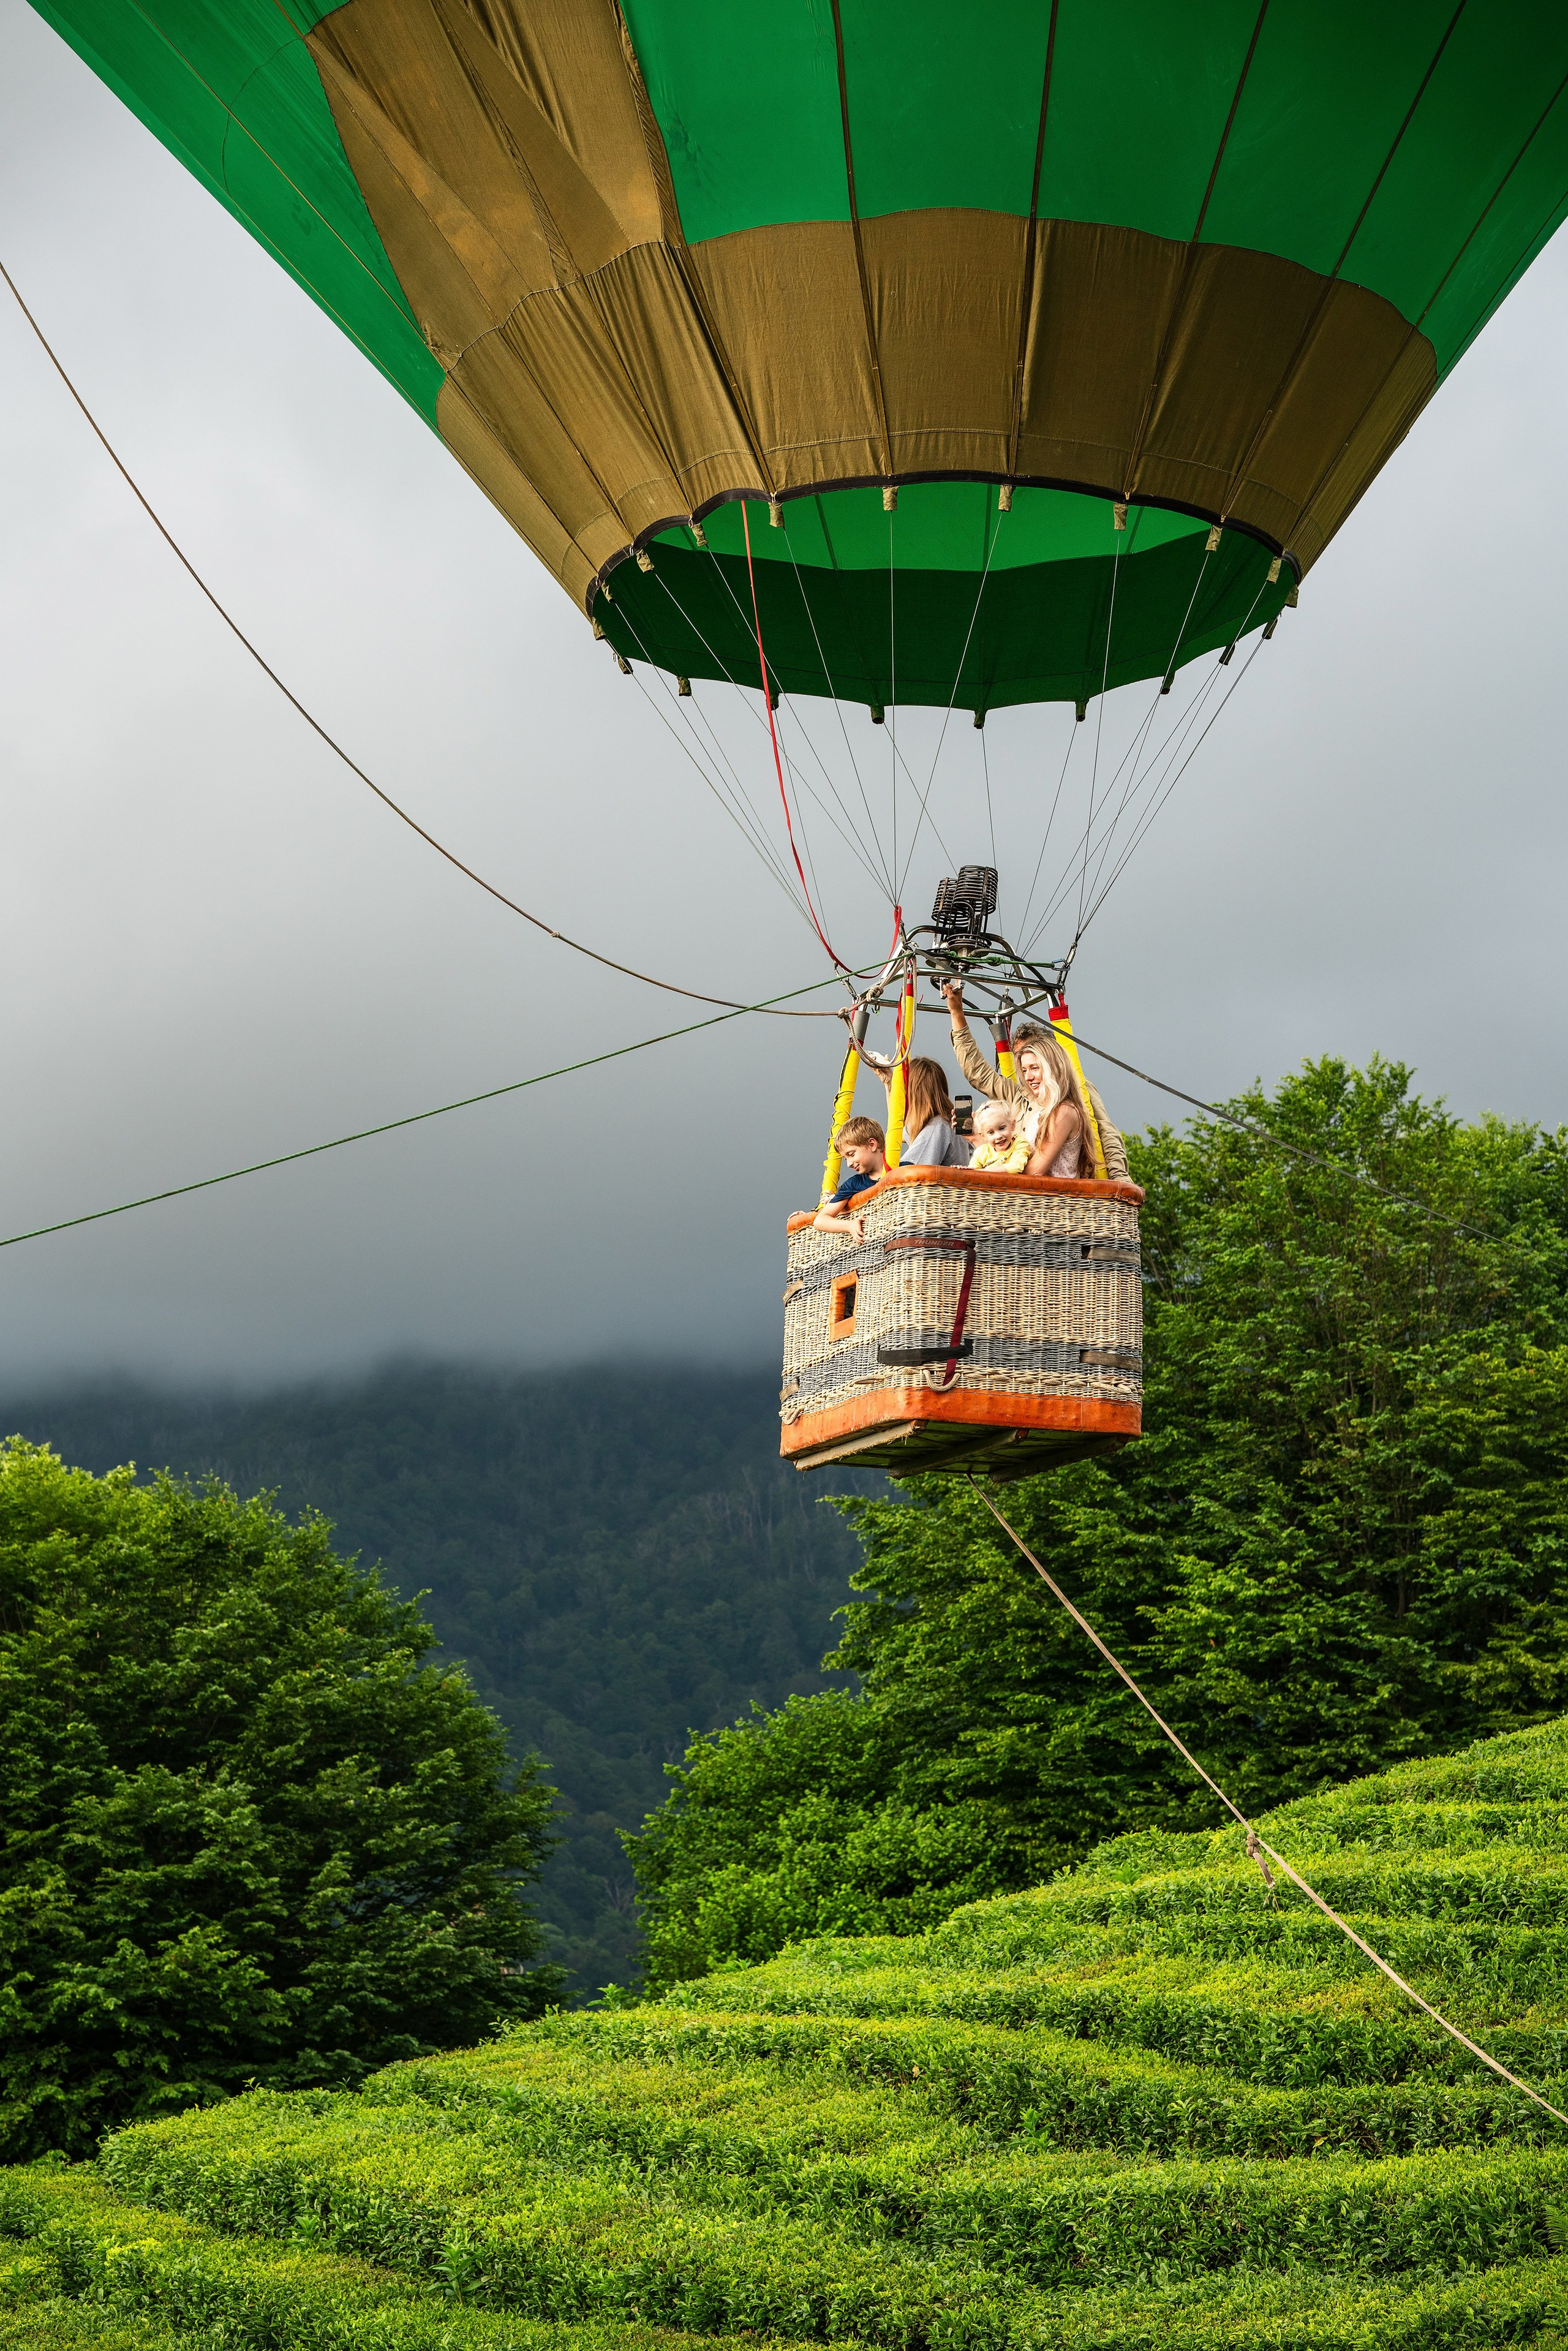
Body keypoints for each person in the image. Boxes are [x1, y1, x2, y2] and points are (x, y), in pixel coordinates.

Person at [942, 983, 1128, 1180]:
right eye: (1023, 1067)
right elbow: (978, 1073)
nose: (1027, 1075)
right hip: (1024, 1191)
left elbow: (1107, 1133)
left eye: (1034, 1066)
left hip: (1049, 1193)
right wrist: (957, 1014)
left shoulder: (1075, 1093)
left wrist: (1121, 1181)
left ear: (1049, 1057)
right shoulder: (1020, 1094)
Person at [840, 1040, 972, 1168]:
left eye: (903, 1088)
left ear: (912, 1092)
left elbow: (907, 1171)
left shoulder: (936, 1129)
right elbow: (900, 1130)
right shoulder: (941, 1123)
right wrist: (889, 1084)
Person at [813, 1115, 886, 1241]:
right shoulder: (854, 1184)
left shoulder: (902, 1171)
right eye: (845, 1159)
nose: (849, 1164)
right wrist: (849, 1226)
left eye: (851, 1154)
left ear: (872, 1144)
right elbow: (820, 1221)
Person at [968, 1099, 1031, 1173]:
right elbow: (971, 1173)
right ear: (983, 1136)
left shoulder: (1020, 1144)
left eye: (1002, 1128)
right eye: (991, 1132)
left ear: (1013, 1125)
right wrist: (961, 1170)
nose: (998, 1136)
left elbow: (1016, 1167)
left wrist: (982, 1171)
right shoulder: (981, 1152)